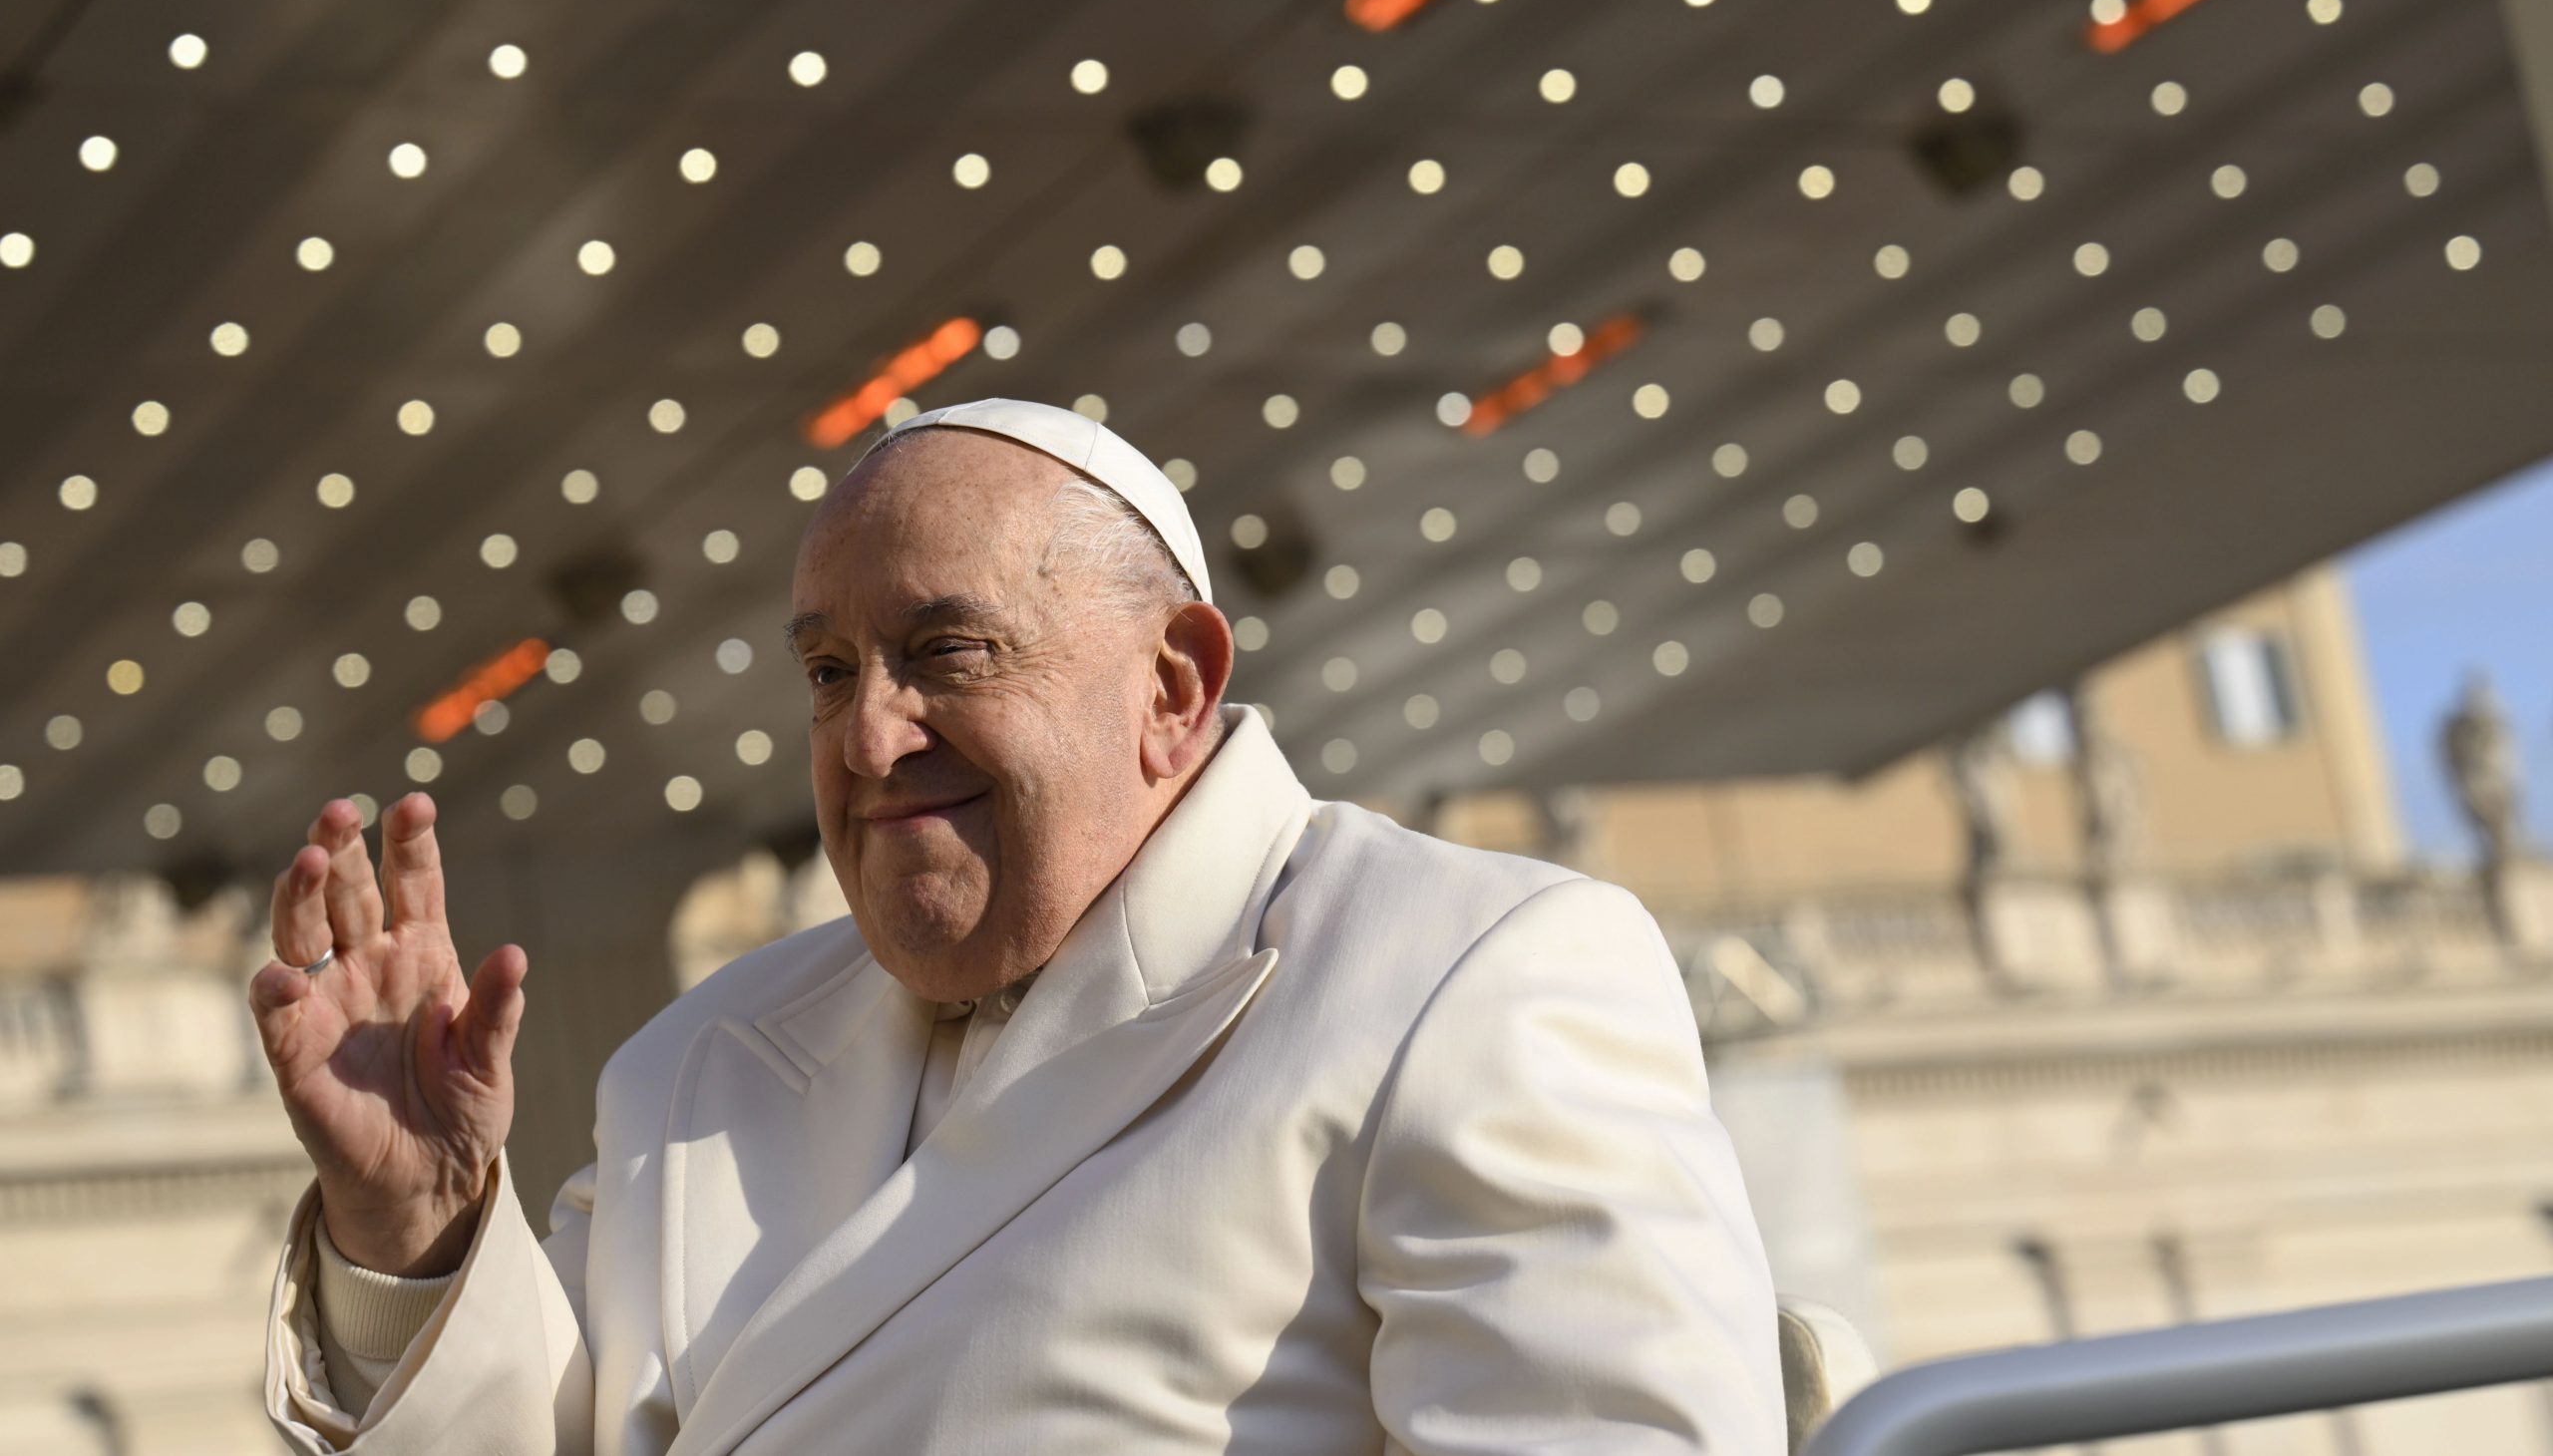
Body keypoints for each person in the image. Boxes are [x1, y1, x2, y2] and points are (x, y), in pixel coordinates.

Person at [250, 398, 1783, 1454]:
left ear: (1173, 686)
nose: (867, 738)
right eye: (832, 671)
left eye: (944, 651)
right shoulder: (694, 1068)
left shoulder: (1467, 978)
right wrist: (420, 1230)